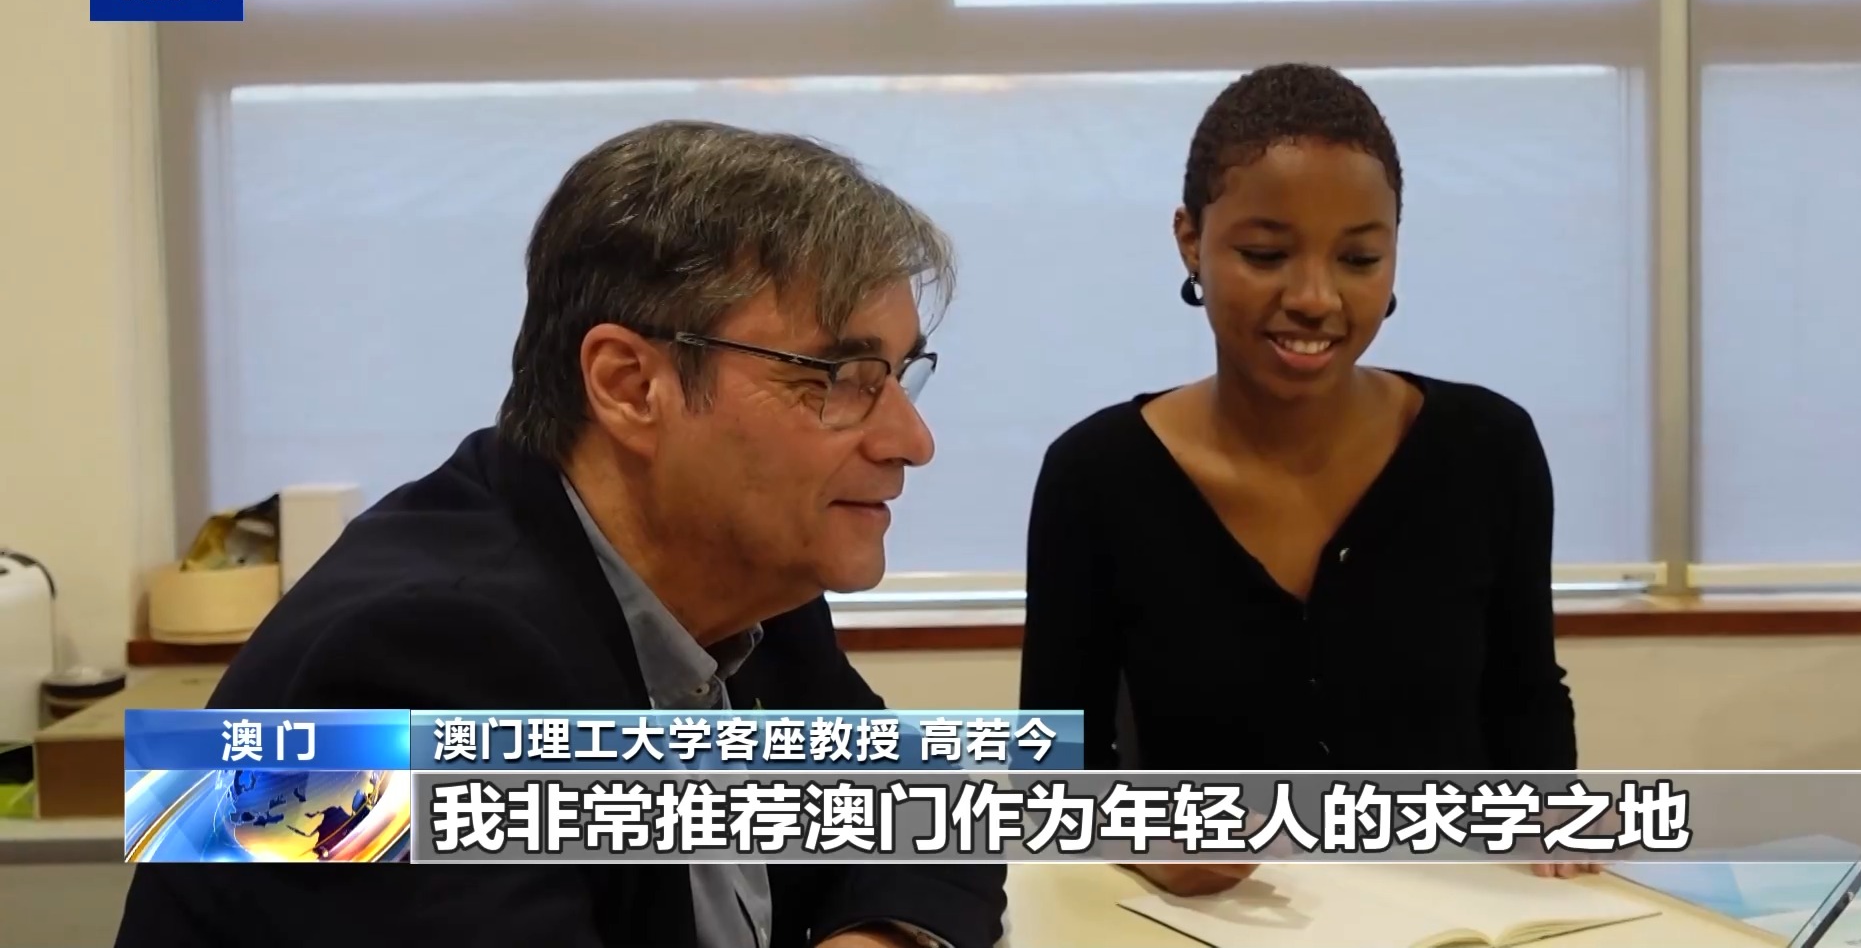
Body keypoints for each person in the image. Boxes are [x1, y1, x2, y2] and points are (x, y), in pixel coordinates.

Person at [117, 121, 1005, 948]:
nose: (910, 441)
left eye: (899, 376)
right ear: (628, 386)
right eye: (841, 377)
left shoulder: (745, 583)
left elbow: (936, 808)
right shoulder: (406, 664)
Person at [1017, 63, 1593, 897]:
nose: (1317, 298)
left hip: (1460, 913)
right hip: (1211, 923)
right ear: (1190, 240)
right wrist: (1147, 844)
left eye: (1360, 257)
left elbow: (1526, 694)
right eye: (1266, 254)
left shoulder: (1489, 446)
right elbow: (1052, 769)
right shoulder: (1096, 474)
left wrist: (1555, 825)